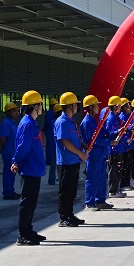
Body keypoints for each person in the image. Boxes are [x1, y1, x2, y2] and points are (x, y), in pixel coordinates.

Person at [12, 90, 47, 245]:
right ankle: (22, 234)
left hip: (34, 168)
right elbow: (22, 147)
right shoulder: (27, 124)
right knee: (27, 203)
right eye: (40, 104)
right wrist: (16, 161)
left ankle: (28, 230)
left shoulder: (32, 123)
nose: (42, 107)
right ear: (35, 106)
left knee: (32, 202)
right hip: (29, 168)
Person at [54, 92, 87, 227]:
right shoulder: (62, 122)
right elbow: (65, 142)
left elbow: (75, 139)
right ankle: (64, 217)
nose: (77, 107)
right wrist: (80, 153)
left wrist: (83, 145)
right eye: (75, 105)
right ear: (70, 106)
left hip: (73, 161)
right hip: (66, 162)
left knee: (72, 191)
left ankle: (70, 214)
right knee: (65, 191)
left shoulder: (72, 121)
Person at [79, 95, 112, 211]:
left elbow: (104, 133)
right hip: (94, 155)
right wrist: (110, 142)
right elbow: (95, 140)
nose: (98, 107)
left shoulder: (95, 120)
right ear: (90, 107)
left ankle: (100, 201)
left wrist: (115, 133)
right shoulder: (87, 122)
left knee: (102, 178)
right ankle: (90, 202)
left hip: (101, 154)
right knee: (92, 179)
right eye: (96, 105)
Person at [104, 96, 126, 198]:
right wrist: (118, 131)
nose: (120, 108)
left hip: (118, 148)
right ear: (115, 106)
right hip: (113, 149)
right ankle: (113, 190)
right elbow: (109, 132)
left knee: (118, 169)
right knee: (114, 170)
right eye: (119, 106)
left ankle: (116, 188)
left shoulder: (116, 117)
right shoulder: (111, 118)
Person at [0, 103, 21, 199]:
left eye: (17, 110)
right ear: (8, 112)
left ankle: (10, 190)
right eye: (14, 111)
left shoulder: (12, 122)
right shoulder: (6, 123)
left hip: (12, 151)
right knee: (9, 172)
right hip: (8, 151)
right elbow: (3, 138)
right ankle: (8, 192)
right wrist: (2, 148)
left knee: (12, 172)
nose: (16, 113)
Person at [43, 97, 58, 186]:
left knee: (54, 161)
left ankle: (52, 179)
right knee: (54, 160)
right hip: (52, 139)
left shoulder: (53, 118)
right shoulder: (52, 116)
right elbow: (47, 124)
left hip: (51, 137)